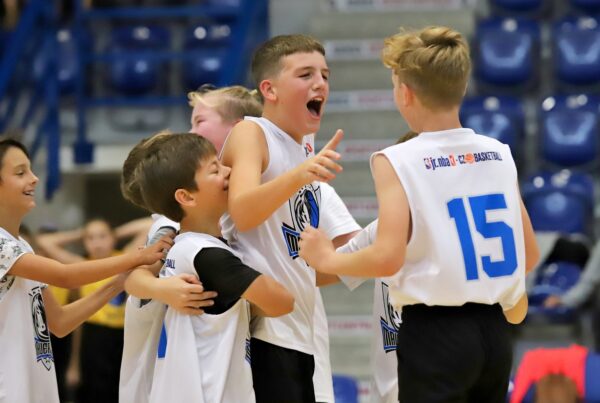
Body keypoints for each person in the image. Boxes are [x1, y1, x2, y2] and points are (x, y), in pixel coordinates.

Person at [299, 26, 539, 403]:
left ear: (405, 93)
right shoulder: (498, 152)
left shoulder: (397, 158)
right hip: (495, 333)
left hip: (435, 333)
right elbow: (530, 255)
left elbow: (388, 256)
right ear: (462, 86)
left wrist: (326, 257)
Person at [219, 33, 345, 402]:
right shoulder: (251, 132)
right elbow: (243, 212)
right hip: (262, 330)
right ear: (269, 90)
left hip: (298, 329)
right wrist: (301, 175)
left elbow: (297, 258)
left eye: (324, 75)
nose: (320, 83)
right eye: (306, 75)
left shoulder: (303, 148)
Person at [0, 138, 171, 403]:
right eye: (20, 172)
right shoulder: (3, 245)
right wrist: (137, 257)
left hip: (33, 387)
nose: (34, 179)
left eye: (31, 170)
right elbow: (65, 276)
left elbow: (60, 323)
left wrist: (119, 282)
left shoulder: (21, 245)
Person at [133, 132, 294, 402]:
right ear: (186, 197)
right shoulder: (208, 256)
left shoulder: (182, 246)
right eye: (215, 169)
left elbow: (134, 279)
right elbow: (282, 302)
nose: (229, 170)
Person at [37, 216, 153, 403]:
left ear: (112, 238)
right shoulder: (81, 265)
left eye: (102, 237)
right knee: (93, 390)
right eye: (90, 238)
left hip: (124, 334)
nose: (97, 243)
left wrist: (115, 233)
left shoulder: (125, 258)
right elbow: (44, 241)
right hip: (93, 336)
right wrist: (79, 234)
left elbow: (149, 224)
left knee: (121, 389)